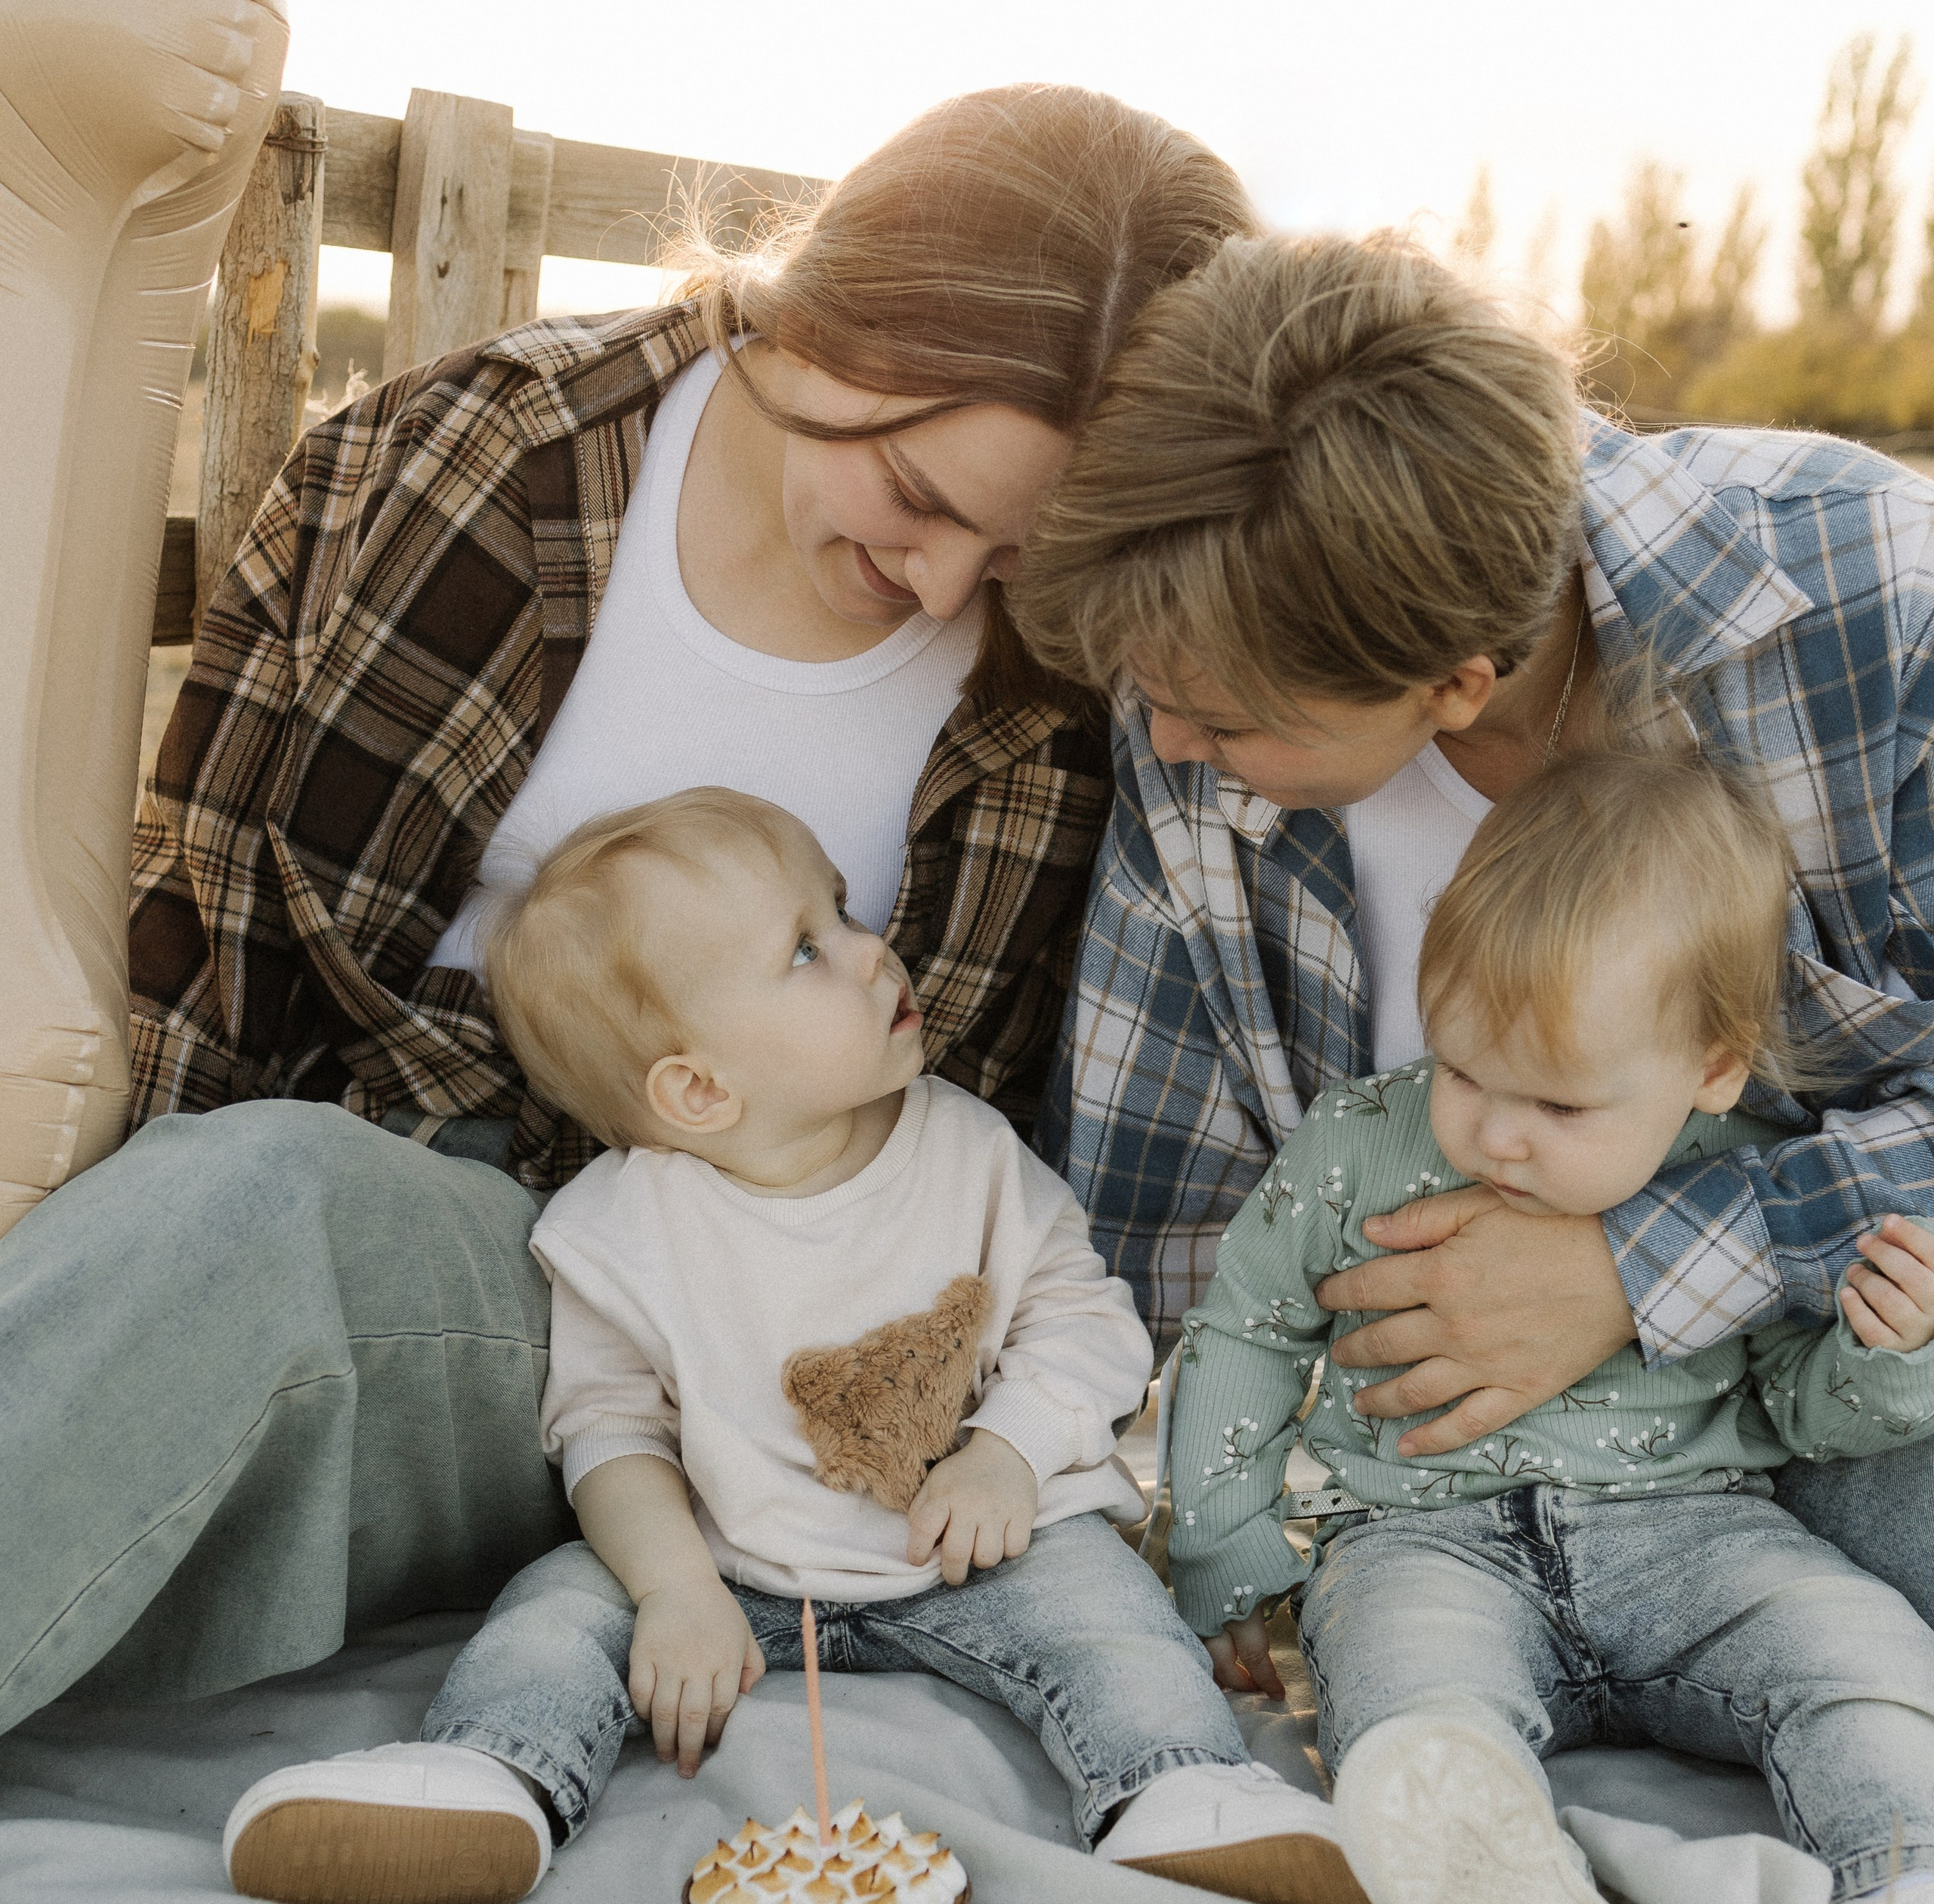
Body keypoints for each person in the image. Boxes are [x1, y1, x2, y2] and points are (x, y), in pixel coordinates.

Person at [0, 85, 1257, 1744]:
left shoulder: (1080, 668)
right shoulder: (467, 465)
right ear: (824, 324)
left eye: (1022, 555)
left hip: (836, 1392)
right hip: (483, 1300)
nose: (952, 593)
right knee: (245, 1203)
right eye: (922, 497)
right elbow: (204, 962)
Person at [1009, 227, 1934, 1671]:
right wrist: (1153, 1514)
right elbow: (1150, 1212)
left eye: (1229, 723)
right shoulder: (1191, 680)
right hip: (1421, 1514)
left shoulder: (1878, 617)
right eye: (1157, 697)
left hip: (1805, 1397)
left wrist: (1643, 1265)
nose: (1172, 742)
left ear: (1456, 684)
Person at [223, 793, 1334, 1904]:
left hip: (979, 1553)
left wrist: (1007, 1453)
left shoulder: (971, 1151)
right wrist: (672, 1590)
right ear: (699, 1090)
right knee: (555, 1612)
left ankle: (1177, 1791)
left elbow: (1089, 1323)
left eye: (843, 913)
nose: (868, 951)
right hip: (730, 1561)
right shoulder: (621, 1231)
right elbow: (609, 1434)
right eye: (807, 949)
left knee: (1115, 1626)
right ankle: (489, 1770)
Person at [1163, 750, 1934, 1904]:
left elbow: (1799, 1413)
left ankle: (1902, 1889)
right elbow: (1244, 1329)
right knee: (1410, 1697)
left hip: (1698, 1531)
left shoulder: (1739, 1178)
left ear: (1710, 1067)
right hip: (1419, 1538)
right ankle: (1508, 1897)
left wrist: (1888, 1352)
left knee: (1855, 1651)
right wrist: (1225, 1552)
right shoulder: (1355, 1143)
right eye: (1463, 1068)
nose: (1495, 1135)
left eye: (1559, 1102)